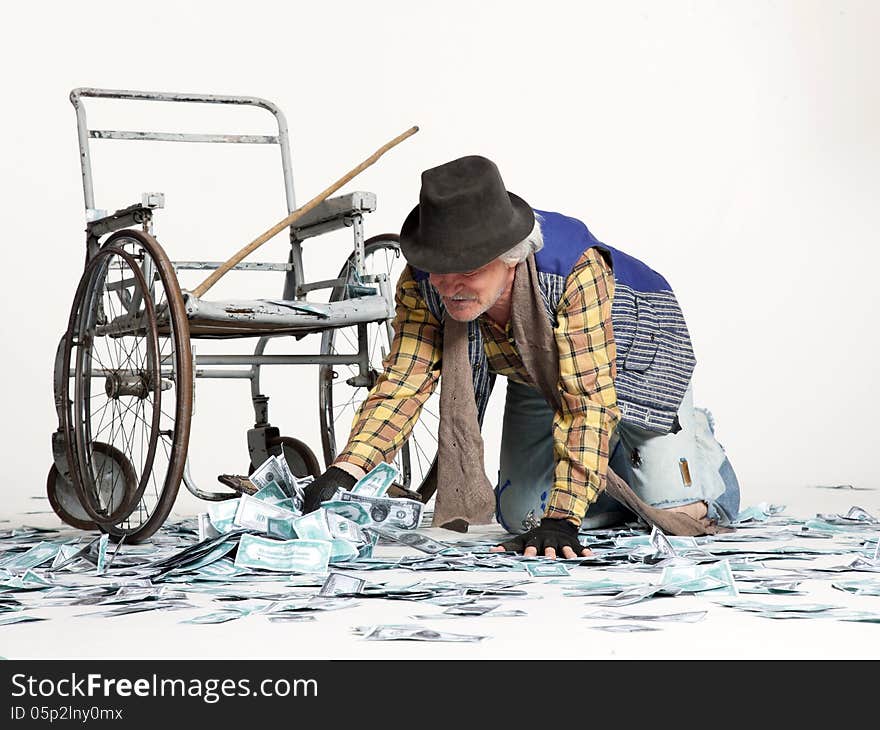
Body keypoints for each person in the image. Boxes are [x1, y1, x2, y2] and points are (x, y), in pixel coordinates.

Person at [302, 155, 740, 558]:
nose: (449, 285)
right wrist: (347, 469)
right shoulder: (421, 283)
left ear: (511, 260)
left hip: (640, 358)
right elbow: (405, 381)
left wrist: (564, 519)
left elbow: (587, 400)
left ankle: (693, 446)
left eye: (469, 271)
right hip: (536, 373)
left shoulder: (575, 270)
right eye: (440, 267)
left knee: (680, 514)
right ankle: (611, 472)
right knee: (522, 517)